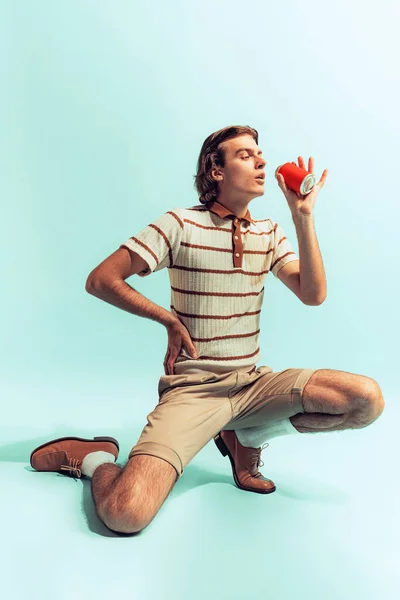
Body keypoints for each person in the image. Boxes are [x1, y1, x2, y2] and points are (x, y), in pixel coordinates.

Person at [30, 125, 385, 535]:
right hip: (194, 392)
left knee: (365, 401)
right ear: (216, 171)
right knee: (124, 515)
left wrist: (302, 217)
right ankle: (95, 459)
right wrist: (166, 318)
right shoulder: (179, 224)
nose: (262, 162)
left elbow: (313, 294)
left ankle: (248, 433)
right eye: (245, 155)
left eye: (260, 153)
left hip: (252, 385)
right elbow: (101, 280)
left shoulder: (269, 233)